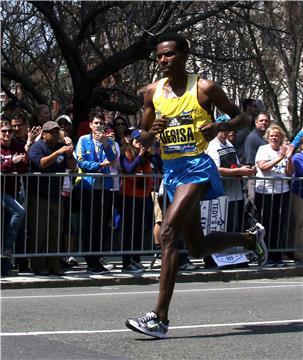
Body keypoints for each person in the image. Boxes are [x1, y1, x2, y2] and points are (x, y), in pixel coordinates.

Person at [125, 32, 268, 338]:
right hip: (173, 170)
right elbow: (142, 138)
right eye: (160, 56)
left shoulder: (204, 88)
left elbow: (243, 118)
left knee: (167, 233)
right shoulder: (152, 92)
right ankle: (249, 239)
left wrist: (221, 126)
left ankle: (159, 318)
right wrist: (152, 132)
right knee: (198, 248)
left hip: (198, 167)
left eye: (169, 55)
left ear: (184, 56)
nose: (163, 60)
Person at [27, 121, 76, 275]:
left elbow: (73, 166)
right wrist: (57, 153)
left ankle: (54, 264)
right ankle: (39, 265)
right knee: (39, 231)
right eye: (52, 132)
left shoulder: (60, 146)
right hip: (39, 196)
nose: (55, 134)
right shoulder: (37, 147)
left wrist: (68, 155)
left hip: (56, 196)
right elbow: (41, 164)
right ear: (44, 133)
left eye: (57, 131)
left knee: (55, 231)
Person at [75, 110, 117, 274]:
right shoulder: (83, 140)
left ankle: (98, 257)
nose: (99, 126)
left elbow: (113, 159)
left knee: (101, 224)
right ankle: (90, 260)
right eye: (96, 123)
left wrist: (106, 144)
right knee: (89, 223)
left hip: (105, 187)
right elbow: (81, 162)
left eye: (101, 123)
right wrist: (99, 166)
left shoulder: (108, 141)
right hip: (88, 187)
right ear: (91, 125)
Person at [255, 124, 294, 266]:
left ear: (281, 138)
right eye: (271, 135)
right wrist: (280, 157)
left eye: (277, 136)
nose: (274, 138)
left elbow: (289, 173)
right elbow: (263, 167)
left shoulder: (284, 151)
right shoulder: (263, 149)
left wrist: (288, 158)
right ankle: (266, 255)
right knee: (267, 225)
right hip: (265, 192)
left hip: (282, 192)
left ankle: (277, 255)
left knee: (279, 225)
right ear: (267, 137)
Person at [119, 129, 154, 273]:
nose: (140, 143)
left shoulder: (146, 156)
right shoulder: (125, 153)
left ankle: (136, 259)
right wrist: (139, 156)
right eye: (137, 140)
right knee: (128, 229)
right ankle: (126, 262)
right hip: (128, 196)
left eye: (142, 140)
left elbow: (148, 174)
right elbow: (129, 170)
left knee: (139, 229)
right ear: (131, 141)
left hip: (142, 196)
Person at [0, 120, 27, 275]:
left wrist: (22, 161)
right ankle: (7, 249)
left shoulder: (16, 146)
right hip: (1, 191)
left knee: (5, 228)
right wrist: (11, 162)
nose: (7, 134)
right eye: (3, 131)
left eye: (9, 131)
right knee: (20, 211)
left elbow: (23, 169)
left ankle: (5, 265)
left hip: (12, 191)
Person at [290, 137, 303, 262]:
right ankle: (299, 254)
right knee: (300, 224)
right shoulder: (298, 157)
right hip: (300, 194)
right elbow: (300, 171)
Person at [234, 98, 259, 164]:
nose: (257, 109)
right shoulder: (239, 121)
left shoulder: (256, 124)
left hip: (256, 161)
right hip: (243, 162)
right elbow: (237, 140)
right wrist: (247, 123)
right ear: (248, 107)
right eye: (255, 106)